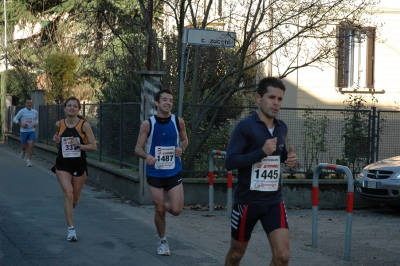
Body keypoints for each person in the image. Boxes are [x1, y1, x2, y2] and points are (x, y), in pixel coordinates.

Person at [224, 77, 297, 266]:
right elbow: (230, 162)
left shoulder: (282, 128)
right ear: (258, 98)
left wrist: (288, 160)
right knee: (236, 254)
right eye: (271, 97)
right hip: (247, 202)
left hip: (274, 201)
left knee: (282, 257)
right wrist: (260, 152)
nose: (276, 103)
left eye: (280, 99)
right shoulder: (245, 127)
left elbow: (276, 157)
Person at [135, 88, 188, 256]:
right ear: (157, 103)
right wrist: (147, 156)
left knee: (177, 210)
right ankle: (163, 241)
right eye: (164, 100)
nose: (168, 103)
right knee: (159, 209)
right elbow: (138, 148)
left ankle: (161, 206)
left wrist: (181, 148)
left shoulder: (178, 121)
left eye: (171, 100)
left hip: (173, 171)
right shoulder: (148, 124)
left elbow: (185, 140)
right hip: (155, 172)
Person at [52, 96, 97, 242]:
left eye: (75, 106)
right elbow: (58, 142)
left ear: (78, 109)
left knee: (75, 199)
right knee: (68, 193)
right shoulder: (59, 124)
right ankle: (71, 230)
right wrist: (57, 141)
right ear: (64, 108)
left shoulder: (84, 125)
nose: (72, 108)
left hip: (79, 164)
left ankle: (70, 209)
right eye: (69, 106)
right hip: (63, 164)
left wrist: (79, 146)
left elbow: (93, 146)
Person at [13, 98, 39, 167]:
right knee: (24, 146)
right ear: (25, 104)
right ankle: (23, 150)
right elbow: (14, 119)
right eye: (28, 103)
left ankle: (28, 160)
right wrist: (21, 124)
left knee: (31, 144)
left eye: (30, 103)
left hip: (32, 130)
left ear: (32, 103)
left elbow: (36, 120)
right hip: (24, 131)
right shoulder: (22, 111)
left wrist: (36, 123)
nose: (29, 104)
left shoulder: (35, 112)